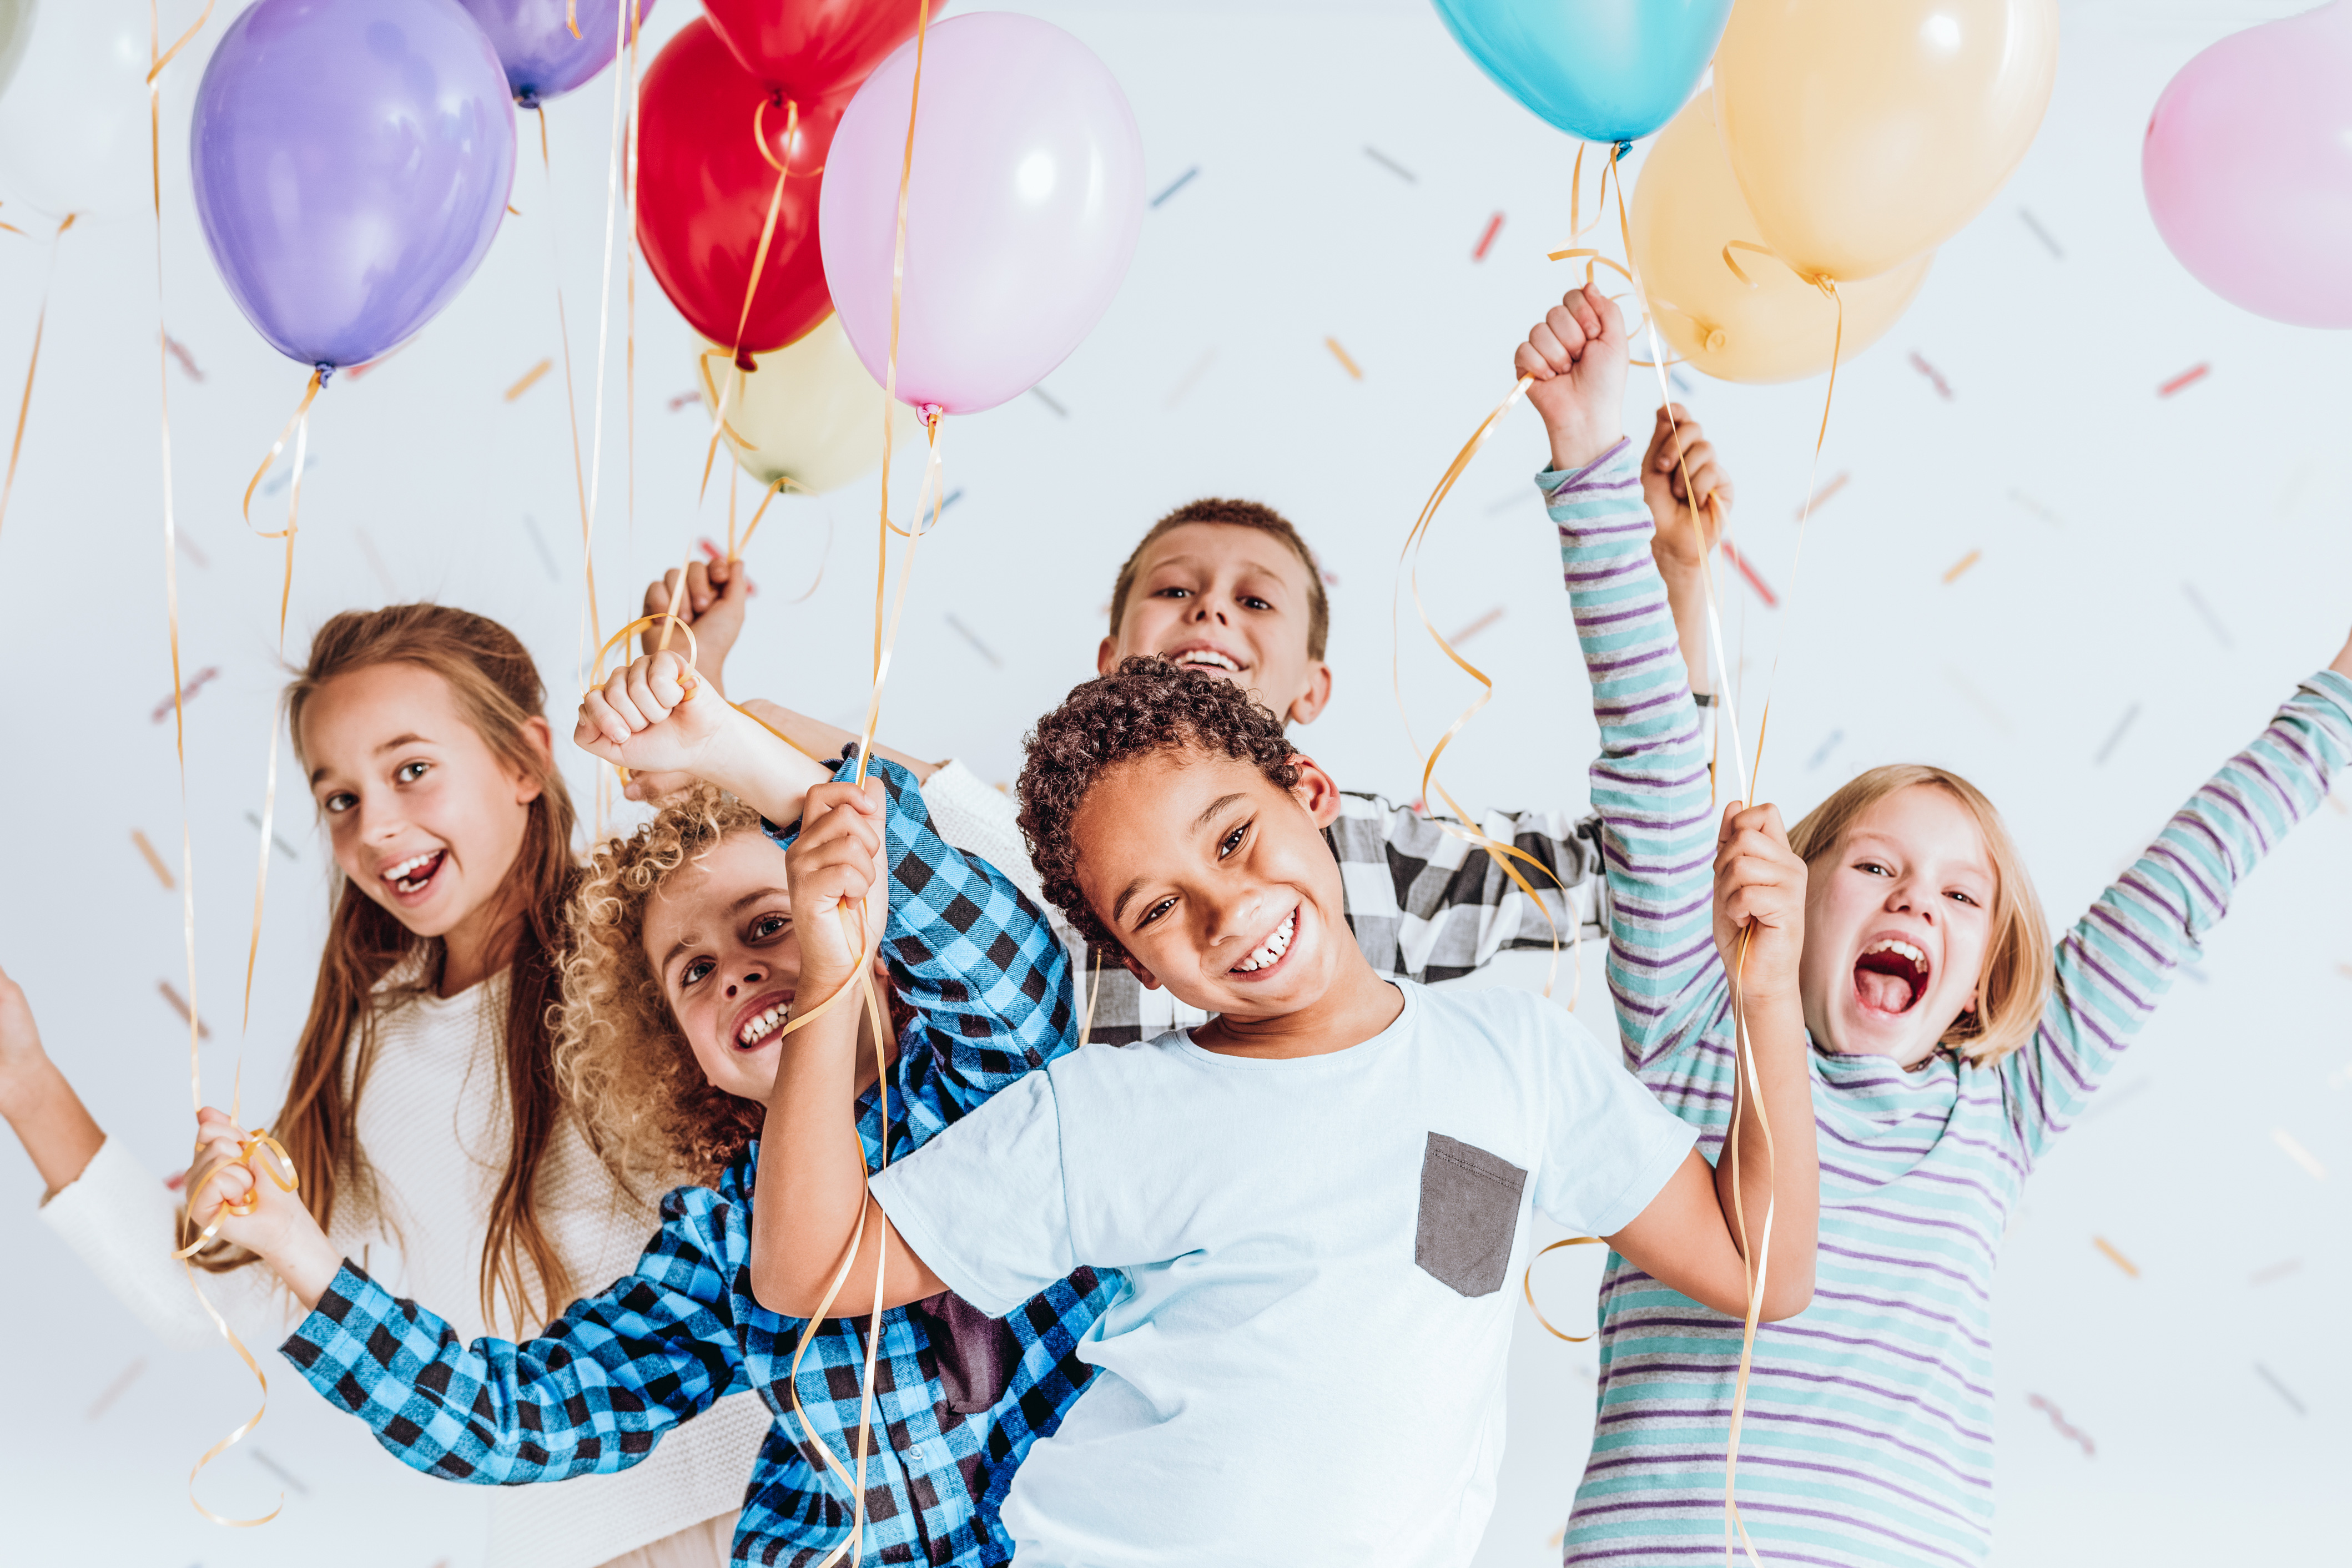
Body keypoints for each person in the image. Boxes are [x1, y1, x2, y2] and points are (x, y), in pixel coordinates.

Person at [1526, 283, 2352, 1566]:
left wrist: (2339, 706)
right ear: (1789, 908)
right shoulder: (1699, 1026)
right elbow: (1649, 754)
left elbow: (2191, 872)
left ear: (1977, 986)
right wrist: (1590, 466)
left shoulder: (2000, 1102)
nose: (1916, 897)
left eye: (1961, 896)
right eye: (1873, 865)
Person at [742, 652, 1823, 1565]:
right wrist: (832, 974)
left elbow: (1760, 1271)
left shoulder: (1515, 1060)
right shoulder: (1111, 1109)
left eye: (1230, 838)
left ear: (1308, 792)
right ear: (1134, 962)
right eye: (1158, 907)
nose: (1226, 909)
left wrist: (1766, 996)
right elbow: (807, 1270)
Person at [184, 646, 1102, 1567]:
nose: (735, 969)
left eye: (769, 923)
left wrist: (731, 753)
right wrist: (300, 1254)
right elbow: (521, 1417)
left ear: (868, 922)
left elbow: (997, 950)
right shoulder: (723, 1235)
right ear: (682, 1056)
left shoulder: (994, 1080)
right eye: (692, 972)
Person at [0, 604, 768, 1568]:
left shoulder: (651, 953)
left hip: (774, 1495)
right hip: (573, 1540)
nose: (377, 825)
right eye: (339, 798)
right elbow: (203, 1300)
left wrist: (712, 722)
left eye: (411, 769)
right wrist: (22, 1073)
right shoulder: (374, 1053)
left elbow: (797, 1002)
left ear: (525, 761)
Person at [636, 423, 1736, 1045]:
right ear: (1110, 661)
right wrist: (709, 686)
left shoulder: (1378, 859)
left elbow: (1641, 862)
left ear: (1312, 693)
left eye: (1258, 602)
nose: (1212, 609)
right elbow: (835, 771)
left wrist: (1678, 588)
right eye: (1175, 590)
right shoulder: (1025, 836)